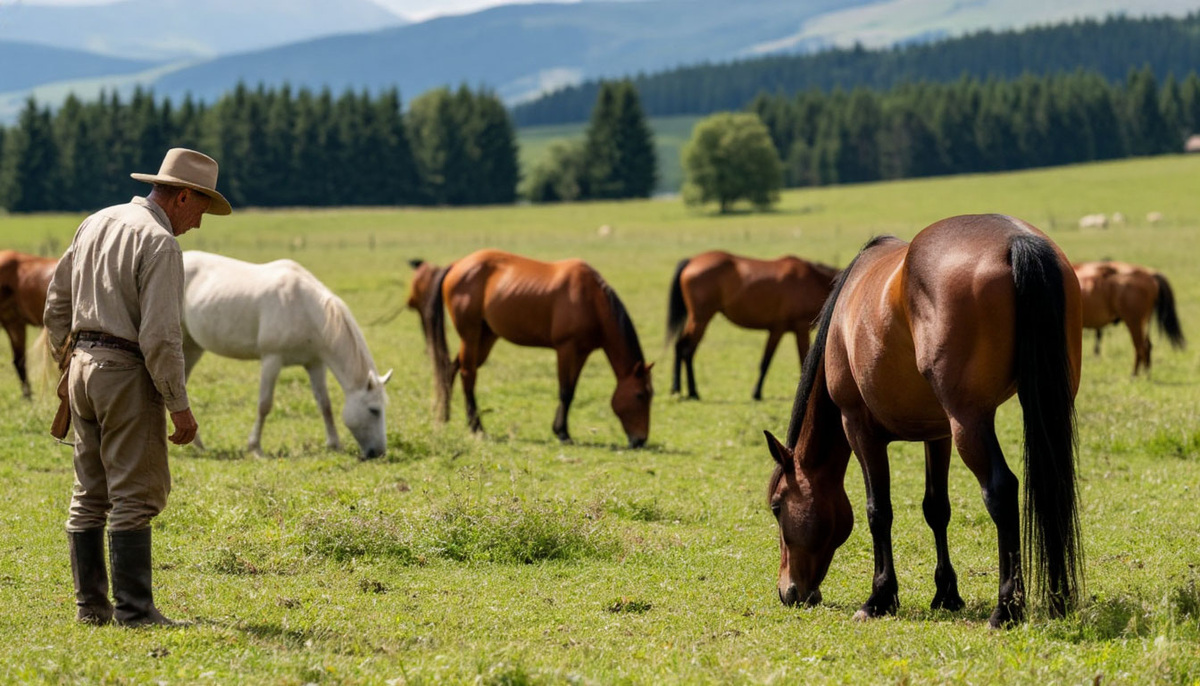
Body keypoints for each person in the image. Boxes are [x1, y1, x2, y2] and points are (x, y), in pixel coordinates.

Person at [44, 148, 231, 627]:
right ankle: (135, 612)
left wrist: (67, 362)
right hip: (125, 374)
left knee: (89, 490)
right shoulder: (161, 243)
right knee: (134, 493)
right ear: (182, 195)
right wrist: (179, 405)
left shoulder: (96, 221)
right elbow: (162, 338)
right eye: (201, 209)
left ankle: (92, 608)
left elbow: (56, 301)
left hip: (82, 370)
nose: (199, 223)